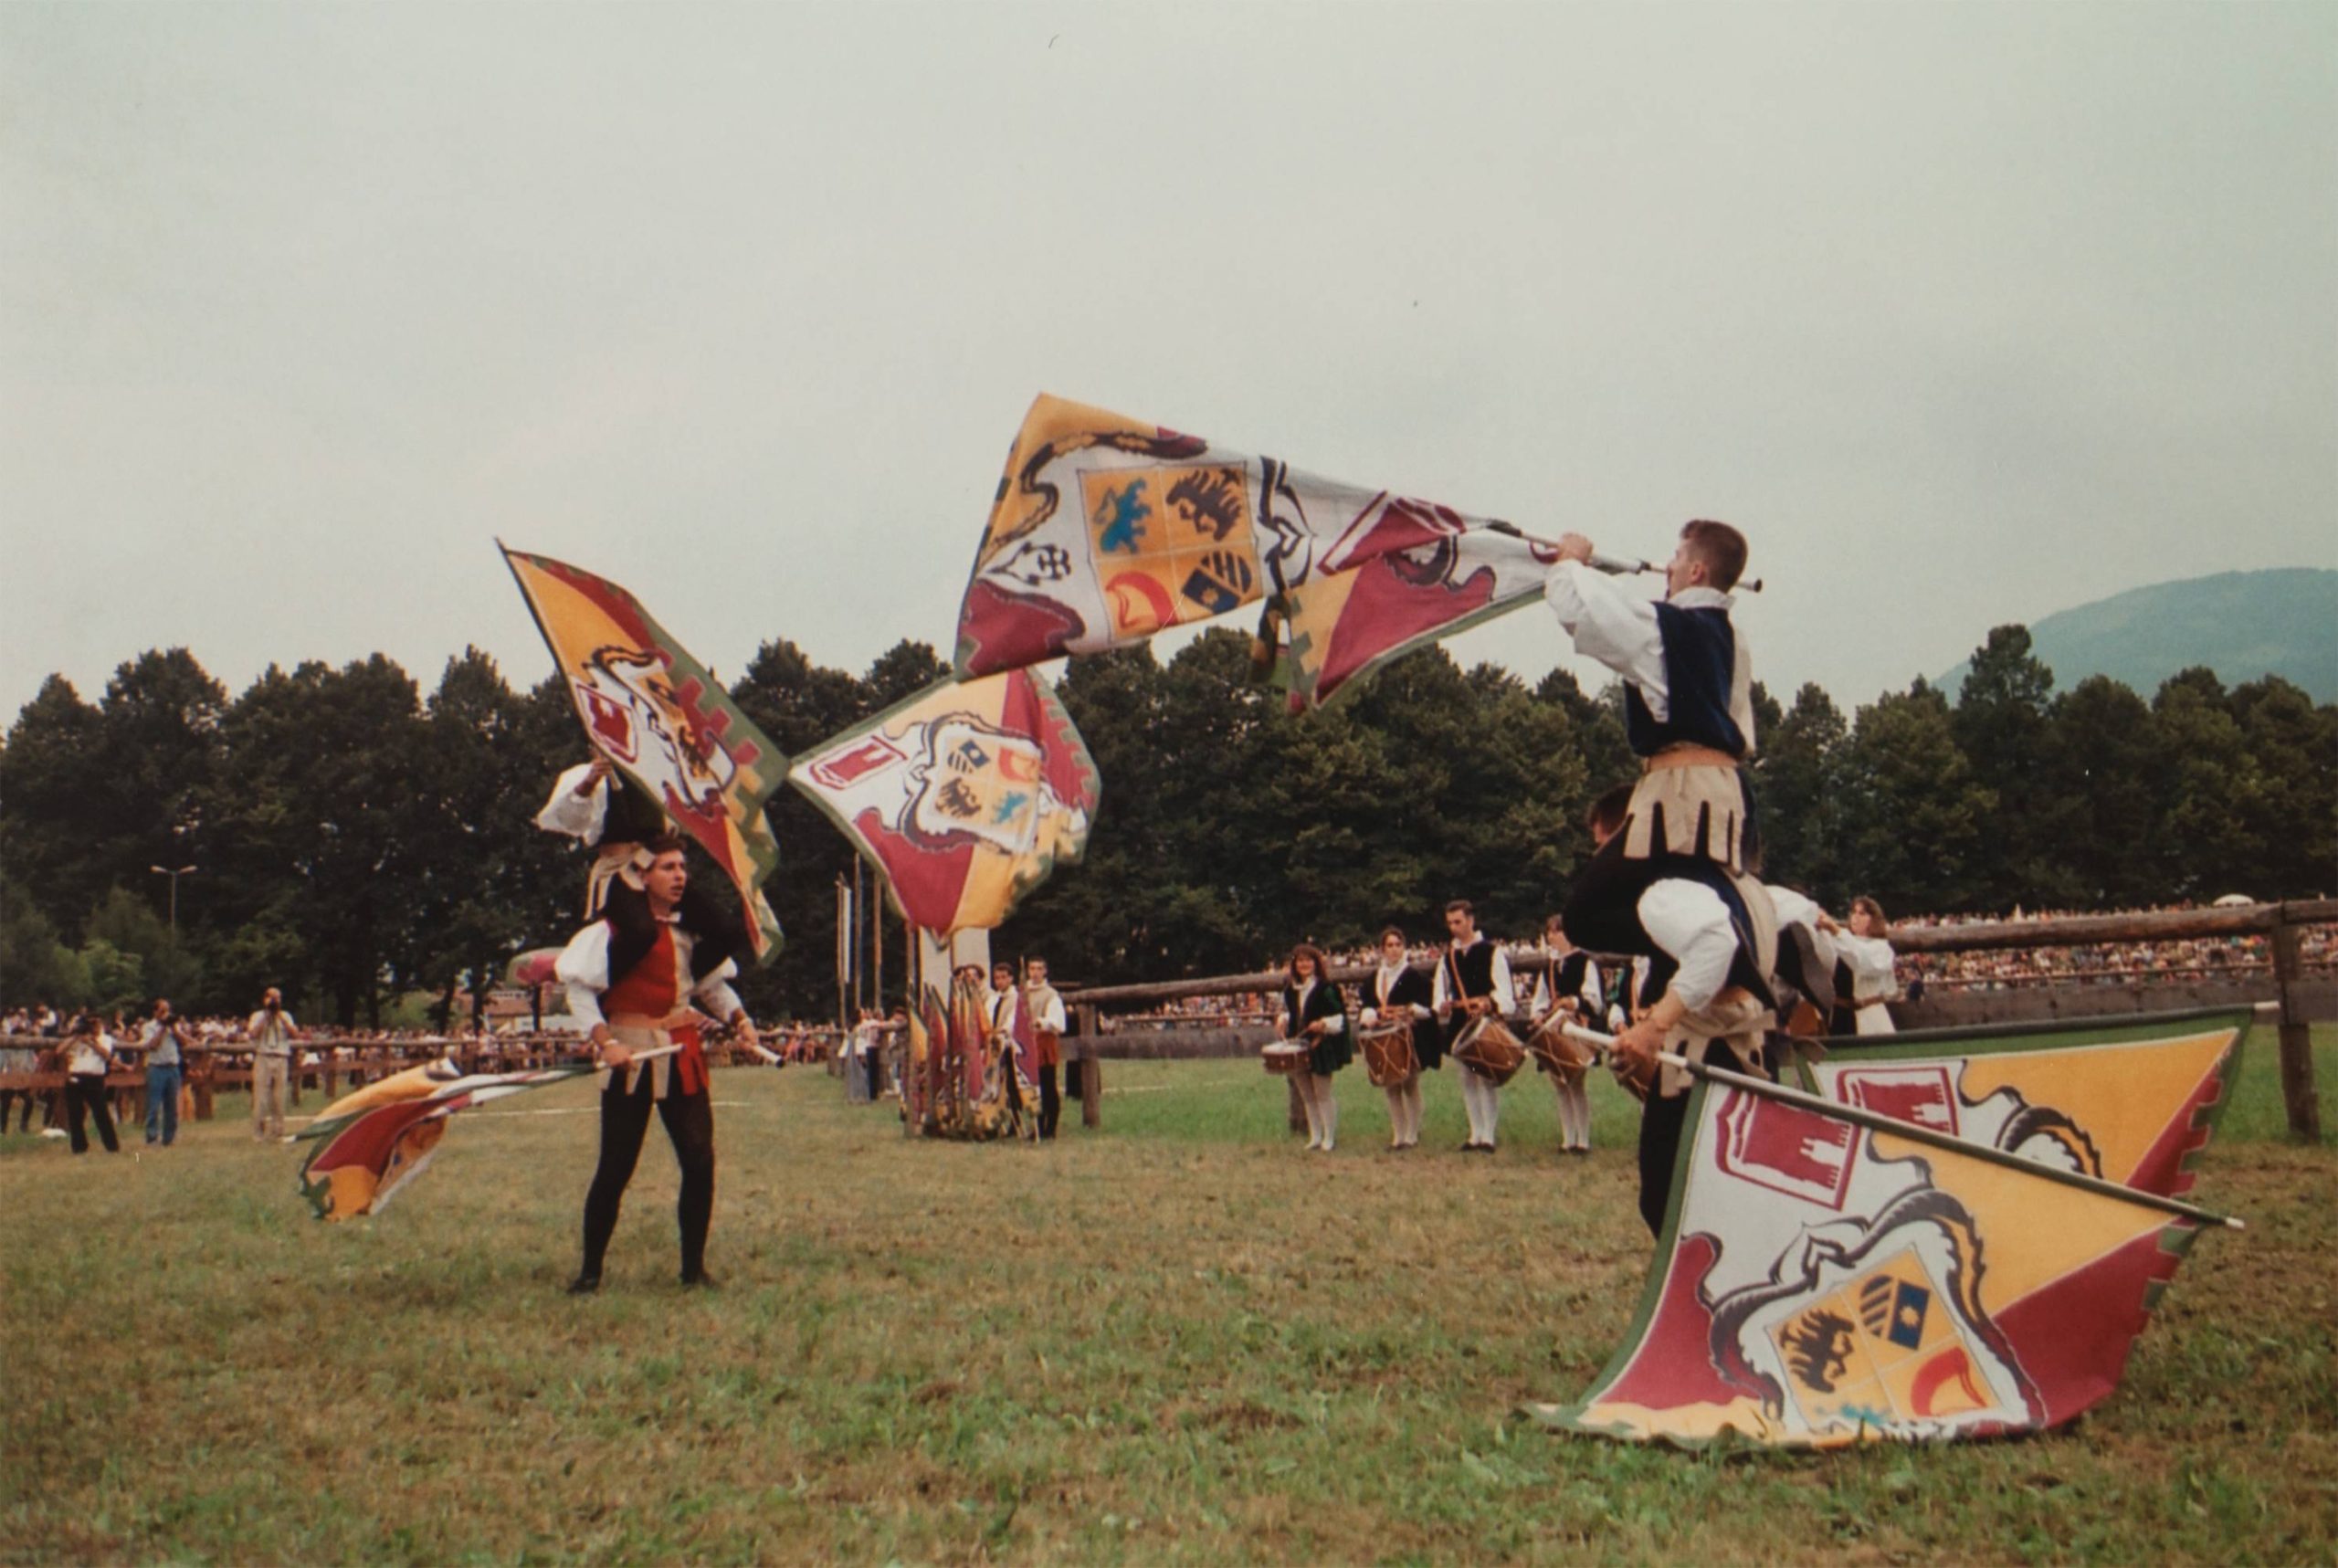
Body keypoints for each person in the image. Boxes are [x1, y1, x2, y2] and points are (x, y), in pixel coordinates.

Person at [557, 834, 774, 1292]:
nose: (679, 876)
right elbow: (579, 992)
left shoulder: (686, 933)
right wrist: (604, 1042)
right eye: (667, 867)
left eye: (682, 867)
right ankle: (590, 1273)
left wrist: (740, 1019)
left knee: (699, 1161)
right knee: (615, 1168)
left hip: (681, 1051)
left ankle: (693, 1270)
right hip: (631, 1053)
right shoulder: (609, 933)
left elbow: (710, 986)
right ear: (642, 875)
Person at [1575, 786, 1781, 1236]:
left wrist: (1656, 1025)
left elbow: (1716, 945)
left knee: (1673, 1203)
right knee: (1740, 1202)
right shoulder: (1748, 887)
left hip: (1703, 1066)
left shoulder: (1666, 890)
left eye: (1601, 846)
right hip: (1750, 1061)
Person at [1547, 521, 1760, 953]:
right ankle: (1712, 954)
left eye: (1677, 558)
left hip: (1683, 794)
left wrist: (1570, 563)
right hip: (1724, 792)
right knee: (1674, 904)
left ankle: (1725, 951)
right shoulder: (1734, 639)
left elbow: (1584, 612)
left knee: (1587, 915)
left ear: (1697, 571)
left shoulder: (1670, 630)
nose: (1669, 567)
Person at [535, 754, 673, 919]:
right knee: (639, 930)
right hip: (618, 870)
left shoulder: (655, 776)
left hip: (661, 871)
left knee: (703, 921)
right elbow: (570, 821)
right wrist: (588, 785)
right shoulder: (586, 776)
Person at [1432, 900, 1515, 1153]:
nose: (1454, 928)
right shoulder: (1449, 957)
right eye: (1450, 923)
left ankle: (1489, 1135)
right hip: (1460, 1021)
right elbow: (1439, 991)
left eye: (1458, 922)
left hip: (1483, 1022)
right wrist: (1442, 1005)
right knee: (1467, 1078)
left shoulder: (1492, 951)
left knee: (1485, 1077)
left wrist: (1491, 1003)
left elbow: (1505, 991)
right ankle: (1475, 1133)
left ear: (1470, 920)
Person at [1356, 926, 1433, 1151]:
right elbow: (1367, 1004)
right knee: (1390, 1086)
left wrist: (1409, 1010)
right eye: (1389, 945)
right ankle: (1398, 1135)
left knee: (1410, 1084)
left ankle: (1412, 1134)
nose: (1394, 950)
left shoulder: (1414, 976)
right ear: (1382, 949)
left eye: (1398, 945)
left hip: (1408, 1035)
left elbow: (1427, 1007)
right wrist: (1370, 1015)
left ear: (1404, 947)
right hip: (1383, 1035)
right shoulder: (1374, 978)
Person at [1530, 915, 1601, 1155]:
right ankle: (1567, 1138)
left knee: (1576, 1083)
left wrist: (1572, 1002)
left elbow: (1595, 1001)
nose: (1551, 936)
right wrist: (1539, 1014)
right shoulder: (1548, 966)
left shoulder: (1584, 962)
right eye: (1549, 932)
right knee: (1559, 1083)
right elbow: (1539, 1000)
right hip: (1554, 1030)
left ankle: (1583, 1140)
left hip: (1575, 1028)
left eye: (1556, 932)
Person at [1273, 943, 1350, 1152]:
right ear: (1295, 965)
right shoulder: (1291, 989)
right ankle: (1315, 1136)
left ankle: (1329, 1137)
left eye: (1308, 960)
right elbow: (1293, 1013)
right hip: (1299, 1046)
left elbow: (1340, 1017)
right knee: (1307, 1094)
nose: (1304, 964)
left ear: (1316, 963)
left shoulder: (1327, 988)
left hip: (1321, 1045)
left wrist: (1323, 1024)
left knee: (1322, 1092)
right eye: (1300, 961)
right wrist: (1283, 1019)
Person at [1825, 896, 1900, 1036]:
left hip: (1870, 1016)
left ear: (1873, 919)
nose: (1855, 917)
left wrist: (1835, 930)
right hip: (1839, 1017)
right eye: (1853, 912)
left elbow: (1862, 962)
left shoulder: (1881, 948)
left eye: (1862, 913)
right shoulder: (1839, 942)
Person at [61, 1013, 121, 1154]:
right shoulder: (76, 1039)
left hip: (94, 1078)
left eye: (96, 1023)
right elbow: (60, 1050)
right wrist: (75, 1036)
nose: (94, 1027)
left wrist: (91, 1042)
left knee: (101, 1112)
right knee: (75, 1114)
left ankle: (112, 1146)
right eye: (91, 1024)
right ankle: (79, 1147)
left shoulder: (105, 1038)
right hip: (75, 1076)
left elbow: (106, 1055)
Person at [246, 987, 300, 1140]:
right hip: (263, 1056)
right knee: (261, 1097)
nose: (276, 1002)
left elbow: (295, 1034)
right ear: (265, 999)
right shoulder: (257, 1016)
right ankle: (258, 1132)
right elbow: (253, 1034)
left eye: (278, 998)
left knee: (279, 1096)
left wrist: (280, 1017)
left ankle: (278, 1131)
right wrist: (267, 1016)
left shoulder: (286, 1016)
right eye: (272, 998)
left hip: (281, 1056)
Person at [1025, 958, 1068, 1140]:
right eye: (1032, 968)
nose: (1035, 972)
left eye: (1039, 969)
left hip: (1044, 1045)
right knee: (1034, 1090)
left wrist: (1041, 1022)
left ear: (1045, 971)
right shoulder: (1023, 993)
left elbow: (1058, 1023)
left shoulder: (1051, 995)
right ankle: (1038, 1127)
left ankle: (1051, 1128)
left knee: (1047, 1086)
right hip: (1028, 1045)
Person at [138, 998, 191, 1147]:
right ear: (155, 1012)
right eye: (162, 1011)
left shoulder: (175, 1026)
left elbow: (185, 1042)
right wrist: (162, 1028)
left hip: (172, 1067)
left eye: (168, 1010)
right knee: (154, 1105)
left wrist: (173, 1029)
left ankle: (169, 1138)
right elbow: (152, 1045)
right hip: (156, 1068)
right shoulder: (149, 1027)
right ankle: (152, 1137)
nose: (166, 1014)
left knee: (172, 1106)